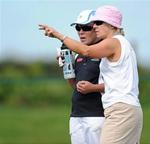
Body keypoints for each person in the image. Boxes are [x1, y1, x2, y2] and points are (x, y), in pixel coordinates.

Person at [39, 5, 143, 144]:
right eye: (93, 24)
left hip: (119, 110)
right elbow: (77, 82)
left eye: (98, 23)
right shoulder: (118, 43)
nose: (94, 27)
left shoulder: (114, 42)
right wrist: (67, 67)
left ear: (112, 25)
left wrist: (59, 35)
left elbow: (86, 51)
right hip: (119, 109)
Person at [58, 10, 104, 144]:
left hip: (98, 116)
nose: (81, 32)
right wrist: (67, 68)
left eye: (86, 27)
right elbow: (75, 86)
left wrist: (93, 88)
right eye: (78, 28)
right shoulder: (79, 54)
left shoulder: (105, 51)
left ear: (96, 28)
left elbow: (117, 85)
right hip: (76, 115)